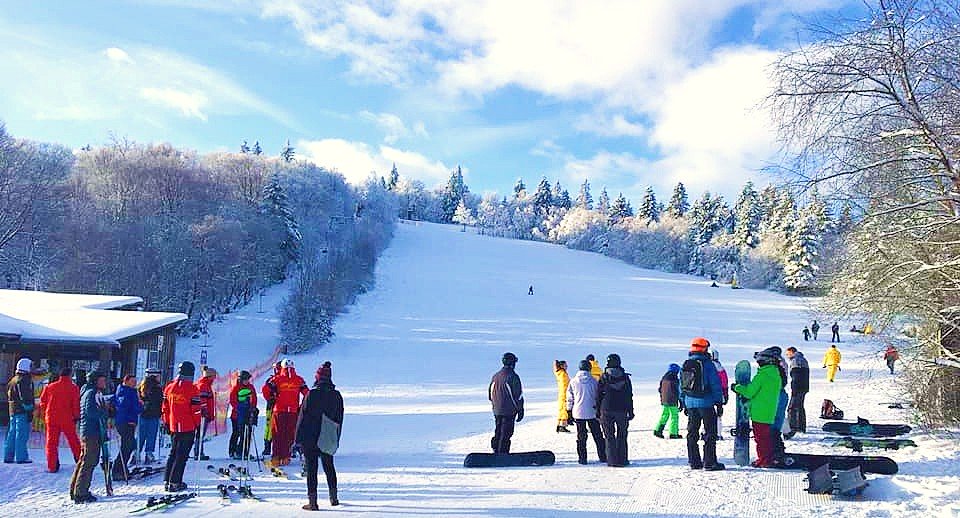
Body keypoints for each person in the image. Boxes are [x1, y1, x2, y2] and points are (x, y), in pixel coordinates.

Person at [295, 362, 343, 510]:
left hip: (310, 436)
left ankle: (313, 502)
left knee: (312, 469)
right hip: (327, 436)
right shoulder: (337, 395)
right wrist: (336, 438)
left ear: (318, 377)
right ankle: (334, 498)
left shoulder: (312, 393)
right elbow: (339, 419)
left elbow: (302, 417)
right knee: (329, 466)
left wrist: (297, 439)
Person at [679, 338, 725, 471]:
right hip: (706, 402)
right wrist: (719, 402)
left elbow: (681, 385)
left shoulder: (686, 364)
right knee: (710, 432)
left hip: (690, 402)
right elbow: (715, 384)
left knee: (692, 432)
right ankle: (709, 462)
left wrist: (684, 402)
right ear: (704, 349)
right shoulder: (707, 364)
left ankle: (694, 461)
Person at [732, 349, 781, 468]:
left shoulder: (762, 375)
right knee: (765, 437)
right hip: (769, 411)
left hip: (759, 412)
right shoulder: (776, 374)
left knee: (761, 439)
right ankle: (767, 458)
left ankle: (764, 460)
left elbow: (749, 392)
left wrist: (737, 388)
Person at [162, 361, 202, 493]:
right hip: (187, 425)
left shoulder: (169, 387)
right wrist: (198, 425)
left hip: (174, 424)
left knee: (173, 453)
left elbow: (165, 408)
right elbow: (195, 410)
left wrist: (167, 422)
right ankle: (175, 482)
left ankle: (167, 480)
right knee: (182, 455)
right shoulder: (192, 389)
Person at [69, 371, 107, 503]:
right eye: (102, 380)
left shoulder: (92, 392)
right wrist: (103, 412)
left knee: (84, 460)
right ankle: (81, 492)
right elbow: (90, 412)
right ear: (95, 381)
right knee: (89, 461)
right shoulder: (91, 393)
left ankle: (76, 489)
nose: (104, 383)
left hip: (90, 431)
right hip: (90, 432)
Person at [40, 367, 82, 473]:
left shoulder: (49, 387)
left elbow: (43, 402)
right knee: (74, 441)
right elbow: (75, 404)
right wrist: (76, 416)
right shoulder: (74, 388)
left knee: (51, 443)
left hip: (52, 418)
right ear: (70, 375)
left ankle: (52, 466)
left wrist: (46, 413)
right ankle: (80, 462)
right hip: (67, 419)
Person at [566, 360, 606, 464]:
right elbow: (598, 397)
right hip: (592, 412)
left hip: (578, 412)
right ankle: (603, 456)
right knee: (597, 435)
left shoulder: (573, 381)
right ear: (589, 368)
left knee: (581, 437)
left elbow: (570, 398)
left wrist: (569, 411)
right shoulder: (594, 381)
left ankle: (582, 458)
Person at [271, 359, 308, 466]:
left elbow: (266, 389)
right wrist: (301, 406)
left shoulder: (277, 379)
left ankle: (276, 458)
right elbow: (307, 393)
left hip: (279, 410)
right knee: (289, 434)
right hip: (292, 411)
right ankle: (286, 457)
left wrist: (272, 398)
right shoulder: (299, 380)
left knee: (277, 434)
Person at [599, 353, 633, 467]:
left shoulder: (603, 377)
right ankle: (623, 460)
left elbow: (598, 395)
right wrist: (631, 411)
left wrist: (598, 411)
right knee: (622, 435)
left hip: (606, 408)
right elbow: (629, 395)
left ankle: (612, 460)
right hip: (622, 409)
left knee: (609, 436)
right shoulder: (625, 377)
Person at [489, 352, 524, 454]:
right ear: (512, 363)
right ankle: (502, 452)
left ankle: (496, 449)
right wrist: (520, 410)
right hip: (509, 410)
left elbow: (490, 394)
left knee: (498, 430)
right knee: (506, 432)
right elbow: (518, 396)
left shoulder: (495, 376)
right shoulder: (513, 376)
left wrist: (496, 405)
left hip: (497, 410)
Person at [761, 347, 789, 462]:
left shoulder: (774, 367)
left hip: (776, 397)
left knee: (772, 427)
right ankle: (778, 451)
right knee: (776, 426)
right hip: (780, 395)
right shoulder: (780, 364)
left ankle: (775, 453)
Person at [4, 357, 35, 464]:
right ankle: (21, 457)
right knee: (21, 434)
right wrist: (29, 409)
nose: (32, 368)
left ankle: (8, 456)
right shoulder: (24, 380)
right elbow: (25, 396)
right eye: (31, 366)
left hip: (12, 410)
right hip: (22, 411)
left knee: (11, 434)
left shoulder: (13, 379)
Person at [113, 374, 142, 479]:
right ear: (126, 381)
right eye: (133, 381)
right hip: (127, 422)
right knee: (127, 446)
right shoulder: (127, 392)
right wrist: (140, 406)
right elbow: (130, 406)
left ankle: (121, 468)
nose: (135, 383)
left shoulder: (123, 390)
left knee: (129, 445)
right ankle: (118, 470)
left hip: (126, 421)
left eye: (135, 381)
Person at [229, 370, 258, 460]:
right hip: (236, 415)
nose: (247, 381)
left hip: (247, 414)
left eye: (248, 379)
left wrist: (252, 408)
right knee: (237, 433)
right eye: (245, 379)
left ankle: (245, 451)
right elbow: (233, 401)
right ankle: (233, 451)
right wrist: (239, 409)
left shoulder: (251, 387)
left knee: (247, 433)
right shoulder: (236, 388)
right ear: (241, 380)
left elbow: (254, 399)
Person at [138, 368, 163, 464]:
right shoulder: (157, 388)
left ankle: (136, 452)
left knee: (141, 434)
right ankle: (149, 453)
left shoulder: (141, 387)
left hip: (143, 415)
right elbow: (159, 402)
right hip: (153, 415)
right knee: (151, 435)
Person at [784, 347, 809, 439]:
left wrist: (794, 387)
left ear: (792, 352)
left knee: (792, 408)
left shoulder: (796, 360)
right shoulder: (802, 359)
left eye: (788, 354)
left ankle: (792, 427)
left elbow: (796, 375)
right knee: (800, 407)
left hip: (798, 387)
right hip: (804, 387)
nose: (787, 356)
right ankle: (801, 427)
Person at [193, 366, 217, 461]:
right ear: (209, 376)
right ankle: (198, 452)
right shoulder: (203, 386)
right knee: (200, 434)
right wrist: (204, 411)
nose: (215, 379)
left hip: (205, 414)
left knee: (200, 434)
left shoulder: (206, 385)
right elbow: (202, 401)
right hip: (202, 415)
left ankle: (199, 451)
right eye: (214, 377)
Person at [653, 364, 682, 440]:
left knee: (665, 415)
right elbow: (679, 391)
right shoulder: (675, 379)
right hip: (672, 400)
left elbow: (660, 389)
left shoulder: (664, 378)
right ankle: (673, 433)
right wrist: (681, 401)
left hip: (664, 400)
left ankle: (658, 430)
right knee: (674, 416)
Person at [261, 361, 282, 456]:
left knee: (275, 428)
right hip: (273, 406)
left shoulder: (283, 379)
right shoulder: (272, 380)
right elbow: (265, 390)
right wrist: (271, 398)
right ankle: (267, 447)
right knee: (269, 427)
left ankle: (269, 447)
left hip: (280, 406)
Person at [710, 349, 729, 441]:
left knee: (706, 413)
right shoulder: (720, 367)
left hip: (706, 394)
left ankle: (704, 432)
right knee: (718, 415)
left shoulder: (704, 366)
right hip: (718, 394)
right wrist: (725, 393)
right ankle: (718, 433)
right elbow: (724, 382)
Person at [554, 360, 571, 433]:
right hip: (564, 394)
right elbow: (565, 385)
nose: (567, 366)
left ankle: (561, 425)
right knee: (564, 410)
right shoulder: (563, 374)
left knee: (562, 410)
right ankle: (562, 425)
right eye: (565, 365)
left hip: (562, 394)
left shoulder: (561, 373)